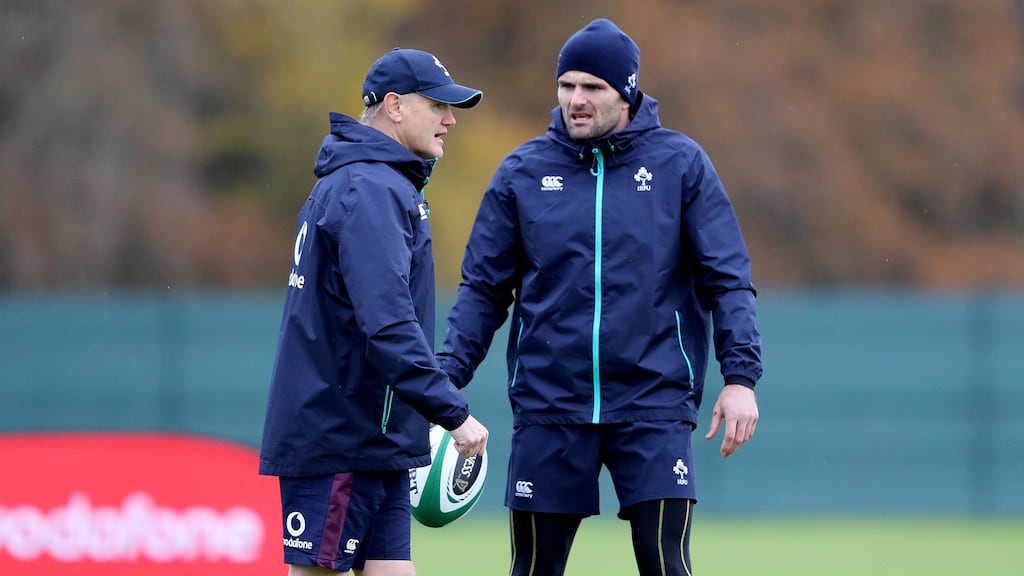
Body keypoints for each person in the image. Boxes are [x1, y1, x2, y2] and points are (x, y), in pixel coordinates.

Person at [437, 19, 762, 576]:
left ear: (627, 92)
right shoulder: (522, 172)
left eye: (592, 88)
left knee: (667, 565)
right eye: (566, 86)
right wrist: (443, 381)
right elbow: (483, 291)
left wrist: (740, 378)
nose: (576, 100)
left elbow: (727, 279)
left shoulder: (681, 166)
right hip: (550, 405)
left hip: (654, 403)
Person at [259, 47, 489, 576]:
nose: (450, 120)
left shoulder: (375, 182)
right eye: (438, 105)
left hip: (377, 440)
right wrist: (449, 410)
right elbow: (386, 324)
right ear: (395, 106)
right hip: (341, 438)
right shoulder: (369, 188)